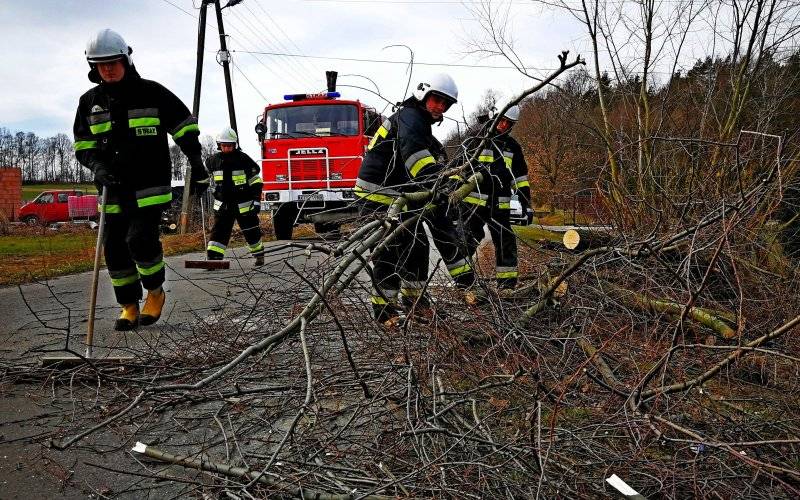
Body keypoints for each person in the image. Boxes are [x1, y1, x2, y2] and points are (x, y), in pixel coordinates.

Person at [73, 29, 207, 331]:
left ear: (125, 59)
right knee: (114, 249)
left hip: (149, 185)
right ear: (93, 66)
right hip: (112, 189)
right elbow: (83, 145)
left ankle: (155, 292)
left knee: (139, 239)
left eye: (113, 62)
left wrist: (197, 164)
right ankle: (129, 305)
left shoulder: (152, 93)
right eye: (101, 64)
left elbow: (185, 128)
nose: (108, 69)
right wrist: (97, 167)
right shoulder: (89, 102)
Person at [355, 73, 475, 321]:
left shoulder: (417, 121)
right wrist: (442, 183)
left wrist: (448, 176)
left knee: (417, 247)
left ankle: (416, 304)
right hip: (377, 197)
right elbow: (417, 160)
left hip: (400, 196)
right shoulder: (411, 118)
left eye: (445, 104)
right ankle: (384, 313)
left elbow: (430, 157)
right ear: (423, 94)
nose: (440, 107)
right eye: (436, 100)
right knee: (388, 253)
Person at [458, 104, 532, 292]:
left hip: (500, 205)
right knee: (466, 240)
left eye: (509, 123)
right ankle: (463, 282)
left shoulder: (512, 146)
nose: (504, 125)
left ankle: (506, 286)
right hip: (474, 204)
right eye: (502, 120)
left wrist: (526, 203)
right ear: (495, 117)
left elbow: (520, 178)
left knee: (506, 242)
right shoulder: (476, 139)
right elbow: (460, 169)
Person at [204, 127, 265, 266]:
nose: (226, 148)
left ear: (234, 145)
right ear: (219, 145)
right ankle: (213, 259)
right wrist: (199, 184)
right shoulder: (213, 161)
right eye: (224, 146)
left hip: (244, 205)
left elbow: (256, 182)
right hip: (223, 205)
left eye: (229, 146)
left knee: (251, 231)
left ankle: (259, 255)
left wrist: (256, 200)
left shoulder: (243, 159)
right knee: (219, 232)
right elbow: (204, 176)